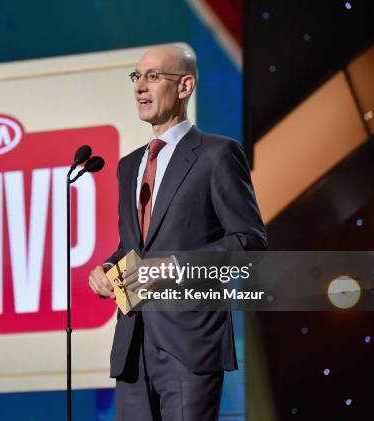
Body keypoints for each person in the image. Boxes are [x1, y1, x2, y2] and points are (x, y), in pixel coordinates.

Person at [88, 46, 267, 420]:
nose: (140, 87)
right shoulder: (128, 166)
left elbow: (249, 241)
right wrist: (108, 268)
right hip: (133, 344)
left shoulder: (217, 155)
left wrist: (175, 265)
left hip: (190, 342)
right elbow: (131, 246)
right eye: (137, 77)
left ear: (185, 86)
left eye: (153, 77)